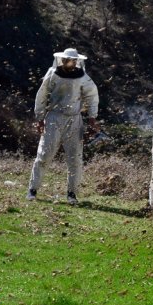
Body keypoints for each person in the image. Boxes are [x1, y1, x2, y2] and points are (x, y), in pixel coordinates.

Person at [27, 48, 99, 205]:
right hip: (54, 117)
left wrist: (92, 118)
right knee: (44, 154)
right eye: (68, 60)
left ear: (77, 61)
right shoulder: (52, 73)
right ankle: (32, 190)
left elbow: (92, 96)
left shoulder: (83, 77)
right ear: (63, 60)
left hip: (74, 119)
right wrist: (40, 118)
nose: (71, 63)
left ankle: (72, 194)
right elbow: (41, 94)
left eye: (73, 60)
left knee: (75, 158)